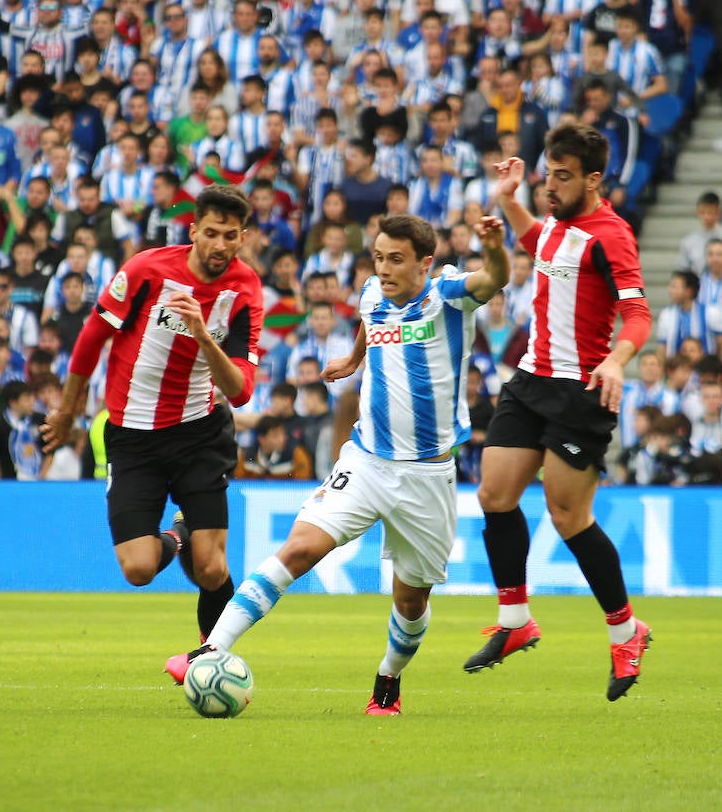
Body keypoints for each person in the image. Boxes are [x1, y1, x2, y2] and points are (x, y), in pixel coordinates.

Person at [166, 214, 510, 715]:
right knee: (299, 549)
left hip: (427, 477)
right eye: (378, 257)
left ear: (425, 263)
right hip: (366, 461)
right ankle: (211, 649)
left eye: (396, 259)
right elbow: (371, 325)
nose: (384, 268)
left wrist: (496, 250)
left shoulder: (448, 297)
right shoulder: (372, 292)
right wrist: (353, 360)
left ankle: (388, 680)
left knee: (411, 603)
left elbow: (494, 277)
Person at [469, 125, 654, 702]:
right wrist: (509, 200)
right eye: (549, 173)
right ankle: (515, 618)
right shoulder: (557, 222)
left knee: (569, 517)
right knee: (494, 494)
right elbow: (537, 243)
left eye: (564, 176)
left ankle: (626, 633)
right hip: (530, 379)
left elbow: (639, 315)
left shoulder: (612, 237)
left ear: (594, 179)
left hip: (581, 390)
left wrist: (619, 360)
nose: (552, 184)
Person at [39, 185, 263, 642]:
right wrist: (66, 412)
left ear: (243, 237)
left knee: (212, 567)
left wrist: (204, 337)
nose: (221, 245)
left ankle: (210, 658)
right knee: (138, 568)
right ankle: (179, 533)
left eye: (231, 236)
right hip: (133, 437)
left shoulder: (244, 289)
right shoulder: (146, 269)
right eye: (213, 233)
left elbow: (240, 393)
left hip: (199, 434)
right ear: (194, 229)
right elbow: (90, 339)